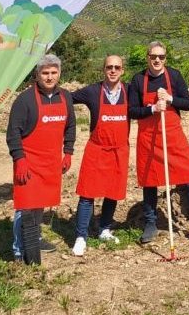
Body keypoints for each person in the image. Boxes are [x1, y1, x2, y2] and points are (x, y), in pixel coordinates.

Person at [128, 41, 189, 243]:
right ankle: (150, 224)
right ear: (148, 57)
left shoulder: (174, 75)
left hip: (173, 136)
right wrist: (152, 109)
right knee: (150, 181)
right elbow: (131, 110)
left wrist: (170, 98)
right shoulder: (138, 80)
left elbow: (188, 104)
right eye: (153, 56)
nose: (157, 60)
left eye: (161, 57)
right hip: (149, 138)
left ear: (165, 59)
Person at [6, 54, 75, 265]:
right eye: (45, 73)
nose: (49, 77)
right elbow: (13, 133)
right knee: (25, 206)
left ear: (59, 74)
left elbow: (71, 125)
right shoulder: (24, 100)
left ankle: (34, 239)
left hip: (50, 161)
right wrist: (20, 159)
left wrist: (68, 152)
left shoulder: (65, 97)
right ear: (37, 75)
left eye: (53, 73)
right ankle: (19, 250)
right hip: (29, 162)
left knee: (40, 204)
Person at [69, 55, 130, 256]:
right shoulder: (92, 91)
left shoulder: (130, 91)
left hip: (119, 150)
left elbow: (146, 103)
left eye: (117, 67)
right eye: (109, 67)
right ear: (103, 69)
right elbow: (66, 99)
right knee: (87, 194)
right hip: (96, 149)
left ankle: (104, 229)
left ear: (122, 70)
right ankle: (81, 236)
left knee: (112, 191)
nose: (113, 70)